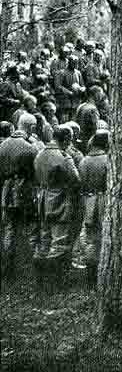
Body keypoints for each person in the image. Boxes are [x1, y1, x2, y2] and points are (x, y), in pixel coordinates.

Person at [33, 125, 81, 289]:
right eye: (70, 140)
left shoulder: (40, 153)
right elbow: (76, 180)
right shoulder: (64, 157)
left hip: (42, 199)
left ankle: (40, 280)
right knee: (59, 240)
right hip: (59, 200)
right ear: (66, 139)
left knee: (44, 239)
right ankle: (55, 283)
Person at [0, 114, 40, 282]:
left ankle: (8, 270)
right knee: (32, 228)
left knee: (9, 229)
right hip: (25, 192)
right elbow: (36, 174)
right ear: (31, 127)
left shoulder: (2, 146)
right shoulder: (31, 148)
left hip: (7, 192)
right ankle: (33, 271)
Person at [78, 129, 109, 286]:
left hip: (88, 201)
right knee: (104, 236)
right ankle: (103, 272)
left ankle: (91, 273)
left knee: (91, 237)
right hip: (103, 200)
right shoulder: (107, 160)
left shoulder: (83, 160)